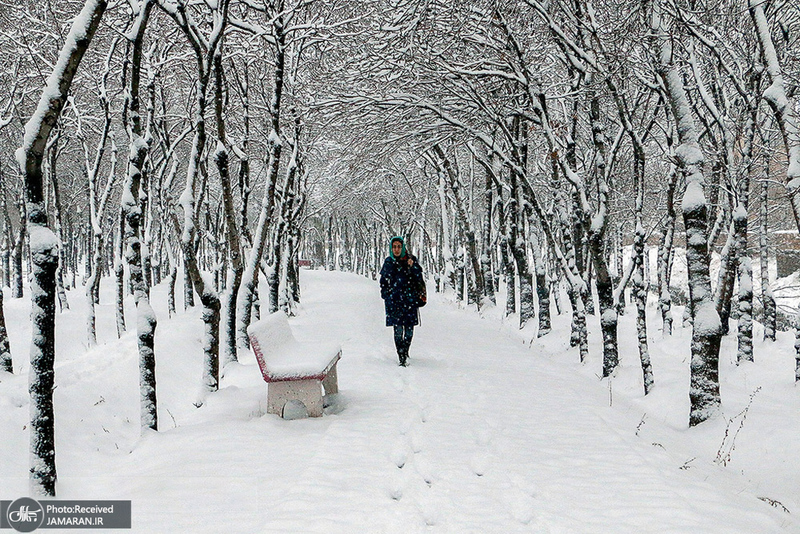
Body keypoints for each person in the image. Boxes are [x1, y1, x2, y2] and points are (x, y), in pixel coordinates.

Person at [380, 236, 426, 366]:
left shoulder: (411, 260)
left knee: (409, 329)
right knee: (398, 329)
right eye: (394, 247)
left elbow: (419, 277)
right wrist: (386, 295)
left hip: (410, 300)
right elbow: (383, 281)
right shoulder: (388, 262)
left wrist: (413, 267)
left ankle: (406, 350)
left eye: (399, 247)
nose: (396, 249)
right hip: (394, 301)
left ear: (403, 247)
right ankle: (401, 356)